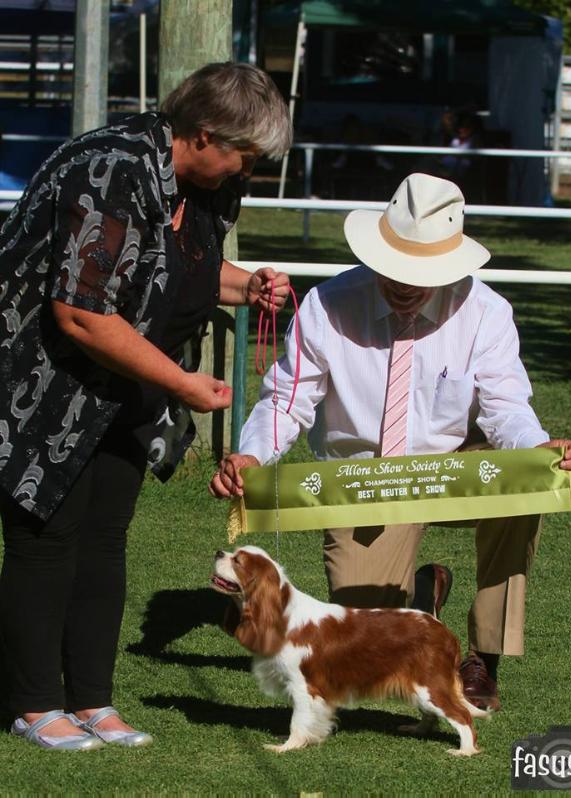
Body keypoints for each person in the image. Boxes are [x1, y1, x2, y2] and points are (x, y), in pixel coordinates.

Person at [209, 172, 571, 711]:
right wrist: (252, 454)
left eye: (422, 270)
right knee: (367, 646)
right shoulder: (325, 306)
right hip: (359, 479)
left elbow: (506, 409)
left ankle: (483, 656)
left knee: (525, 482)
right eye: (394, 266)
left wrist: (539, 448)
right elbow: (287, 403)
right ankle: (423, 592)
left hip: (455, 465)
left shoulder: (487, 312)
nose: (405, 282)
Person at [0, 62, 292, 750]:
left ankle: (93, 700)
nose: (244, 170)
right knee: (48, 539)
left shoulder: (210, 183)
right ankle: (34, 702)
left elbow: (179, 266)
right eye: (242, 155)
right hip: (45, 381)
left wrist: (248, 286)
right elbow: (81, 313)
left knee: (105, 539)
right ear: (201, 133)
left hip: (125, 383)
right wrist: (186, 385)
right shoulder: (109, 170)